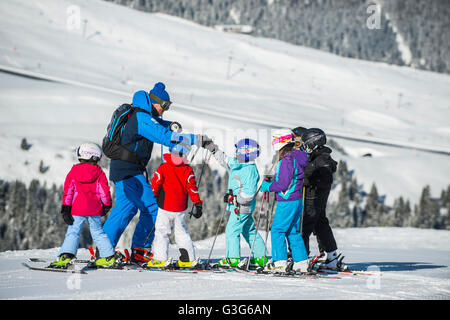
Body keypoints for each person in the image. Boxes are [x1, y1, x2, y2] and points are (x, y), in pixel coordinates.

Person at [102, 82, 207, 264]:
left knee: (125, 209)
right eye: (164, 106)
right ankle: (141, 250)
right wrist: (194, 139)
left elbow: (159, 125)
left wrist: (171, 124)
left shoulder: (143, 115)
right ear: (155, 102)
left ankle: (103, 250)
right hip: (129, 170)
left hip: (125, 169)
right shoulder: (142, 117)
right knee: (152, 208)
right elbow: (164, 137)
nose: (165, 110)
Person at [51, 143, 117, 269]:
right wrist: (106, 205)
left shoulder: (73, 172)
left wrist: (66, 207)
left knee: (73, 232)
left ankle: (67, 255)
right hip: (94, 209)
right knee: (98, 232)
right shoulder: (99, 173)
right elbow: (104, 191)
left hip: (77, 209)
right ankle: (108, 257)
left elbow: (68, 191)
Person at [204, 138, 267, 268]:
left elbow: (248, 195)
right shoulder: (239, 164)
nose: (236, 153)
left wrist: (233, 199)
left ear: (245, 153)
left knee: (232, 230)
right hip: (240, 206)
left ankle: (233, 259)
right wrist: (212, 148)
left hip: (242, 206)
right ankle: (261, 257)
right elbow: (225, 160)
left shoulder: (249, 170)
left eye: (238, 151)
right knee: (248, 230)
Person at [260, 129, 311, 274]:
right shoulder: (296, 157)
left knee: (277, 230)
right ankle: (301, 262)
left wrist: (268, 186)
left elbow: (283, 184)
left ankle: (280, 262)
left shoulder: (286, 160)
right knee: (291, 231)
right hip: (296, 200)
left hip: (287, 200)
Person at [298, 128, 347, 270]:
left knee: (304, 226)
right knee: (320, 224)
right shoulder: (318, 156)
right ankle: (331, 256)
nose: (305, 147)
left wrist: (306, 176)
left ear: (314, 143)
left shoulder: (322, 158)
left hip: (313, 198)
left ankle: (301, 258)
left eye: (306, 144)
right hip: (315, 198)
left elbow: (323, 172)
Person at [146, 152, 203, 268]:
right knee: (182, 232)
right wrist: (197, 203)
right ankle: (188, 259)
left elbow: (155, 183)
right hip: (180, 208)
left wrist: (155, 195)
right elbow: (192, 188)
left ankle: (160, 259)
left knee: (162, 232)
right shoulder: (187, 170)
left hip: (164, 206)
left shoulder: (164, 167)